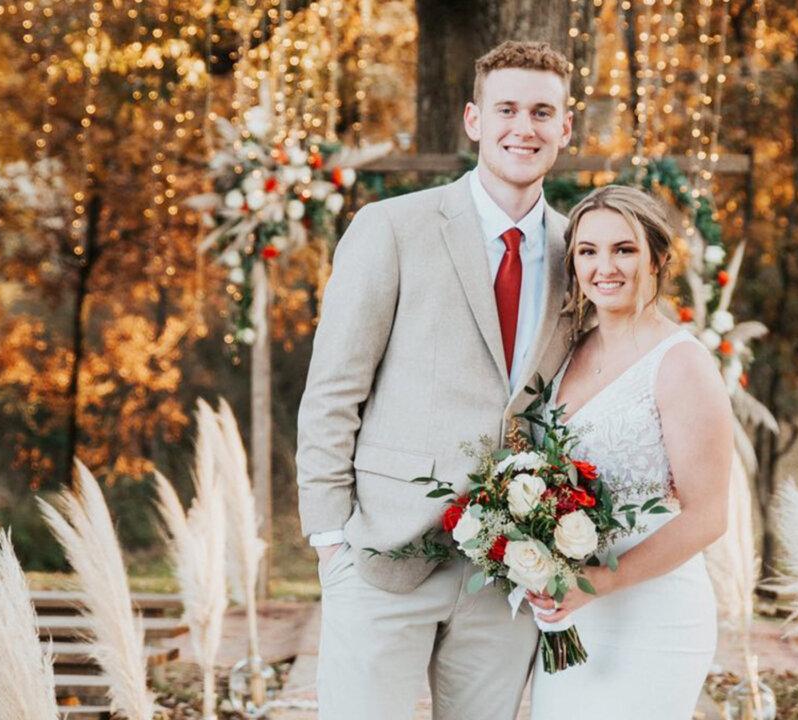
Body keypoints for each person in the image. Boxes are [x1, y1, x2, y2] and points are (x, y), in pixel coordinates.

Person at [295, 40, 574, 720]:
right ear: (474, 120)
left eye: (543, 112)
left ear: (566, 128)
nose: (524, 127)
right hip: (385, 553)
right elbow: (333, 390)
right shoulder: (392, 227)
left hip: (506, 570)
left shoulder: (580, 252)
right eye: (507, 109)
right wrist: (330, 540)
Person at [527, 185, 733, 719]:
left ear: (658, 257)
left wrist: (606, 579)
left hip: (653, 614)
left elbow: (708, 517)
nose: (604, 267)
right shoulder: (564, 350)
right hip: (570, 614)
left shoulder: (681, 362)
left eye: (624, 249)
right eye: (588, 251)